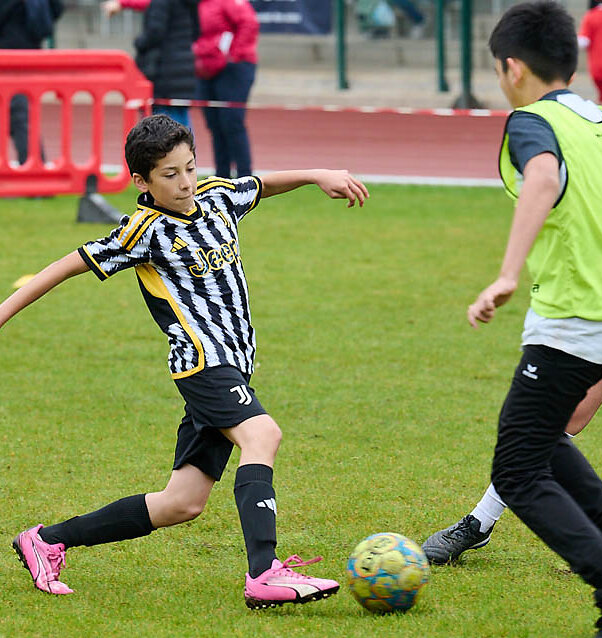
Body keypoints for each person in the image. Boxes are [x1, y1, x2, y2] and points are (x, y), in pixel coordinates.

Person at [4, 114, 369, 608]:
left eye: (190, 167)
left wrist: (317, 175)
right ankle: (265, 573)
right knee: (263, 435)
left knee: (182, 503)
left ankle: (46, 540)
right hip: (204, 364)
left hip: (234, 364)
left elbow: (260, 185)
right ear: (142, 181)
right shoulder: (143, 231)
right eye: (170, 174)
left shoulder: (217, 198)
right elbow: (64, 267)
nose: (185, 182)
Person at [428, 1, 602, 638]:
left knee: (517, 468)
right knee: (542, 439)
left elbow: (542, 177)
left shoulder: (531, 122)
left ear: (512, 67)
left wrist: (506, 273)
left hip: (573, 319)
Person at [193, 0, 259, 178]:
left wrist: (232, 55)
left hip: (233, 68)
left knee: (232, 122)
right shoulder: (196, 4)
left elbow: (249, 23)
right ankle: (221, 177)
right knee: (214, 124)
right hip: (206, 69)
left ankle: (245, 177)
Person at [0, 0, 63, 166]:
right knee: (20, 115)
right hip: (29, 53)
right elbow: (56, 9)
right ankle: (35, 165)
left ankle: (34, 166)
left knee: (19, 115)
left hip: (9, 56)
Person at [133, 0, 200, 127]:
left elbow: (155, 32)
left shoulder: (161, 2)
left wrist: (138, 42)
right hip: (184, 66)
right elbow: (196, 31)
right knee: (181, 119)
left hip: (164, 69)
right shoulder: (189, 3)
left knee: (160, 123)